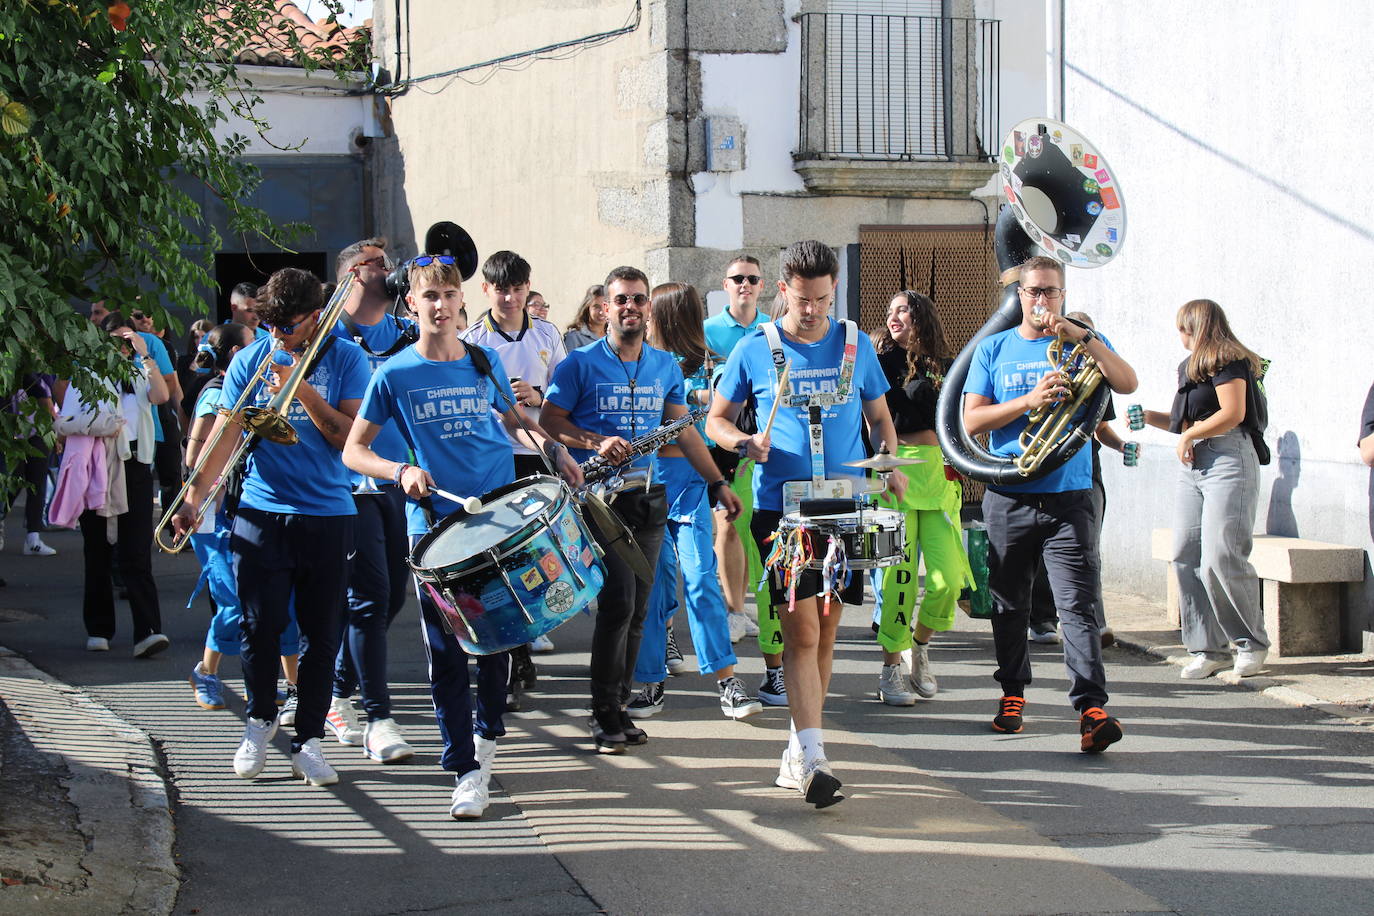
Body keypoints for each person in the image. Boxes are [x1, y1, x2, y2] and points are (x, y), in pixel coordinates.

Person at [342, 252, 582, 818]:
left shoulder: (481, 360)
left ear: (461, 302)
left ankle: (486, 744)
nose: (442, 305)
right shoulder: (393, 373)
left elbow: (510, 421)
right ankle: (463, 768)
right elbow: (355, 449)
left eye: (450, 295)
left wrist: (551, 447)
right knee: (448, 652)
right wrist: (399, 471)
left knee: (498, 643)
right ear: (412, 304)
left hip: (498, 520)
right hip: (437, 529)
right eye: (430, 296)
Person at [708, 240, 903, 808]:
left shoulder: (855, 343)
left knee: (828, 625)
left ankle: (798, 746)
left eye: (822, 298)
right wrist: (744, 441)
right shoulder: (754, 349)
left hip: (845, 506)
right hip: (785, 511)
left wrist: (888, 463)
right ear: (782, 290)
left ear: (833, 289)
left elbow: (880, 418)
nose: (813, 309)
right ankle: (815, 756)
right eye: (802, 299)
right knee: (802, 630)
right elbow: (717, 420)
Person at [170, 267, 370, 788]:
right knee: (257, 627)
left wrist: (302, 391)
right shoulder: (250, 360)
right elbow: (224, 437)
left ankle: (307, 740)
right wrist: (193, 501)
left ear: (316, 315)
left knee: (322, 636)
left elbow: (349, 439)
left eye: (289, 326)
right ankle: (259, 722)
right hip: (260, 511)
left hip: (328, 514)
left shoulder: (347, 358)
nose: (277, 336)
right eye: (270, 325)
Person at [543, 266, 741, 754]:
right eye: (621, 300)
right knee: (616, 606)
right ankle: (603, 713)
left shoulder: (664, 365)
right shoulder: (579, 364)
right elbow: (548, 420)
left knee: (640, 610)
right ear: (605, 308)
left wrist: (716, 482)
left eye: (637, 300)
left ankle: (621, 705)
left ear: (648, 308)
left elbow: (685, 431)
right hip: (599, 498)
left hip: (648, 496)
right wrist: (594, 440)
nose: (630, 307)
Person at [962, 254, 1136, 753]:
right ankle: (1012, 693)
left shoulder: (1082, 346)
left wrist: (1082, 337)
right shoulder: (994, 348)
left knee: (1076, 605)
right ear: (1020, 294)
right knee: (1009, 603)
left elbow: (1127, 383)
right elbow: (973, 421)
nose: (1042, 301)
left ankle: (1091, 709)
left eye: (1051, 292)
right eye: (1034, 291)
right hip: (1009, 494)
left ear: (1063, 295)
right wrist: (1028, 402)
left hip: (1070, 496)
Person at [626, 282, 762, 721]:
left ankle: (727, 681)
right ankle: (650, 683)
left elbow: (712, 414)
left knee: (702, 579)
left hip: (689, 480)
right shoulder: (642, 363)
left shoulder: (706, 362)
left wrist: (718, 476)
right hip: (645, 482)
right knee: (654, 588)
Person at [1134, 299, 1269, 679]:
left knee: (1222, 556)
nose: (1178, 336)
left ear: (1195, 327)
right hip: (1195, 463)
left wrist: (1192, 433)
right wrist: (1148, 416)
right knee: (1185, 553)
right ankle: (1209, 648)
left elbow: (1232, 413)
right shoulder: (1189, 368)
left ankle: (1250, 644)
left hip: (1229, 457)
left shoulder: (1227, 360)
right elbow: (1185, 424)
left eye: (1181, 328)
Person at [323, 238, 418, 763]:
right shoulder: (328, 336)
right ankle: (378, 716)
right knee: (369, 596)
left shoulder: (404, 331)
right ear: (353, 276)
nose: (391, 270)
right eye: (379, 264)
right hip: (346, 486)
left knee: (390, 598)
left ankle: (335, 691)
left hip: (396, 482)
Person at [462, 250, 568, 694]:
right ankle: (514, 657)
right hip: (495, 457)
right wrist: (504, 401)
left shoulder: (546, 332)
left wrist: (538, 393)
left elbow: (564, 390)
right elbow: (471, 401)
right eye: (501, 289)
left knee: (542, 551)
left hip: (537, 450)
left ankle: (535, 628)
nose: (509, 297)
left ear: (528, 288)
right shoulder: (473, 340)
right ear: (486, 290)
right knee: (502, 558)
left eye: (517, 288)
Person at [182, 323, 301, 713]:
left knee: (282, 606)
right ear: (234, 355)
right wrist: (197, 495)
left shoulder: (262, 393)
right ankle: (206, 671)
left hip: (246, 507)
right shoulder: (217, 394)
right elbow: (193, 455)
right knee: (233, 602)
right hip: (214, 513)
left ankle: (291, 685)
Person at [869, 290, 972, 706]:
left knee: (949, 580)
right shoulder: (882, 364)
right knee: (897, 580)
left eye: (902, 310)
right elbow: (871, 419)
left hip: (939, 474)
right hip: (896, 473)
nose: (894, 317)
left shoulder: (948, 366)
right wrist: (884, 465)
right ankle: (891, 666)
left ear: (922, 316)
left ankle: (920, 646)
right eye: (890, 310)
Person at [54, 315, 171, 656]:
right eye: (114, 343)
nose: (119, 349)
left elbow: (161, 395)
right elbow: (69, 420)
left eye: (124, 342)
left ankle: (148, 631)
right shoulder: (87, 377)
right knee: (98, 549)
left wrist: (143, 352)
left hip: (134, 463)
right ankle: (99, 628)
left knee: (136, 551)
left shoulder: (138, 372)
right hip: (97, 464)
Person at [1026, 311, 1134, 649]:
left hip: (1088, 473)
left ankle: (1095, 623)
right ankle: (1042, 617)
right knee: (1043, 552)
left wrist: (1122, 445)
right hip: (1045, 469)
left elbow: (1100, 428)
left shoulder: (1097, 376)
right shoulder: (1043, 368)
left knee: (1088, 551)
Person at [703, 255, 770, 656]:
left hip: (759, 442)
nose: (745, 284)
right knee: (728, 524)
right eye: (737, 279)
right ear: (725, 285)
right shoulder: (708, 331)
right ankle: (730, 608)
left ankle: (739, 604)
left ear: (762, 286)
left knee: (745, 526)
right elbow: (693, 379)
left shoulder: (770, 333)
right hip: (719, 442)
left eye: (752, 279)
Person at [1, 373, 59, 556]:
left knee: (37, 482)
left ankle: (33, 537)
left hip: (38, 429)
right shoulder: (17, 362)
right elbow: (43, 395)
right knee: (12, 482)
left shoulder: (44, 370)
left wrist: (54, 429)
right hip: (11, 432)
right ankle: (2, 520)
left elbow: (47, 395)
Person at [563, 284, 606, 351]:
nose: (601, 312)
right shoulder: (574, 337)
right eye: (596, 307)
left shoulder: (615, 336)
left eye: (605, 306)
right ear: (587, 307)